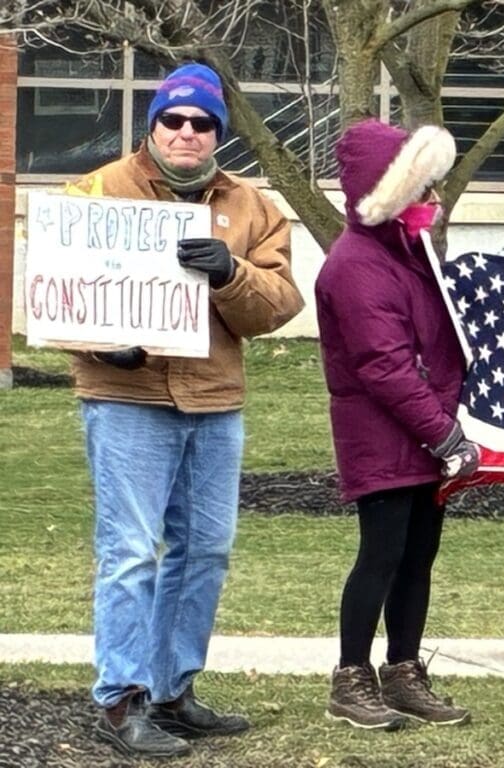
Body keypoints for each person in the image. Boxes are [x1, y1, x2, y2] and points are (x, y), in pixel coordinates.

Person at [67, 62, 304, 757]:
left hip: (214, 399)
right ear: (154, 124)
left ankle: (172, 691)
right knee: (132, 552)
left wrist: (231, 275)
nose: (188, 133)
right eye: (174, 119)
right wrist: (101, 344)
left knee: (205, 551)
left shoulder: (252, 208)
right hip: (127, 399)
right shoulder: (98, 191)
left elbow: (280, 305)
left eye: (203, 123)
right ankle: (121, 699)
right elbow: (51, 288)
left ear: (219, 133)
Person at [315, 118, 479, 731]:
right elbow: (383, 366)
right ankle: (350, 677)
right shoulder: (355, 265)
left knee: (418, 554)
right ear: (389, 193)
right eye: (422, 188)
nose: (434, 200)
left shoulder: (410, 255)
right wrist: (444, 434)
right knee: (381, 554)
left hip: (425, 432)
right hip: (385, 436)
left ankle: (404, 672)